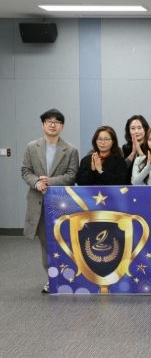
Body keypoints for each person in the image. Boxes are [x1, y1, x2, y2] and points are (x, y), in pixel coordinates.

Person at [21, 109, 79, 293]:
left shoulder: (71, 150)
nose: (53, 124)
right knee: (46, 244)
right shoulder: (32, 147)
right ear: (43, 124)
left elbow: (72, 176)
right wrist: (36, 182)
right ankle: (52, 278)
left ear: (62, 126)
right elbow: (25, 171)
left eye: (57, 121)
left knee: (65, 241)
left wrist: (50, 181)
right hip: (38, 203)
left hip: (62, 204)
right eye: (49, 121)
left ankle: (69, 276)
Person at [122, 115, 149, 184]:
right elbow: (122, 170)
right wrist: (133, 153)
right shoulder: (126, 148)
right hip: (128, 186)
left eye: (139, 128)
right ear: (129, 131)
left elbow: (148, 169)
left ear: (145, 129)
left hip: (146, 186)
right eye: (133, 128)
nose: (136, 131)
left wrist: (139, 151)